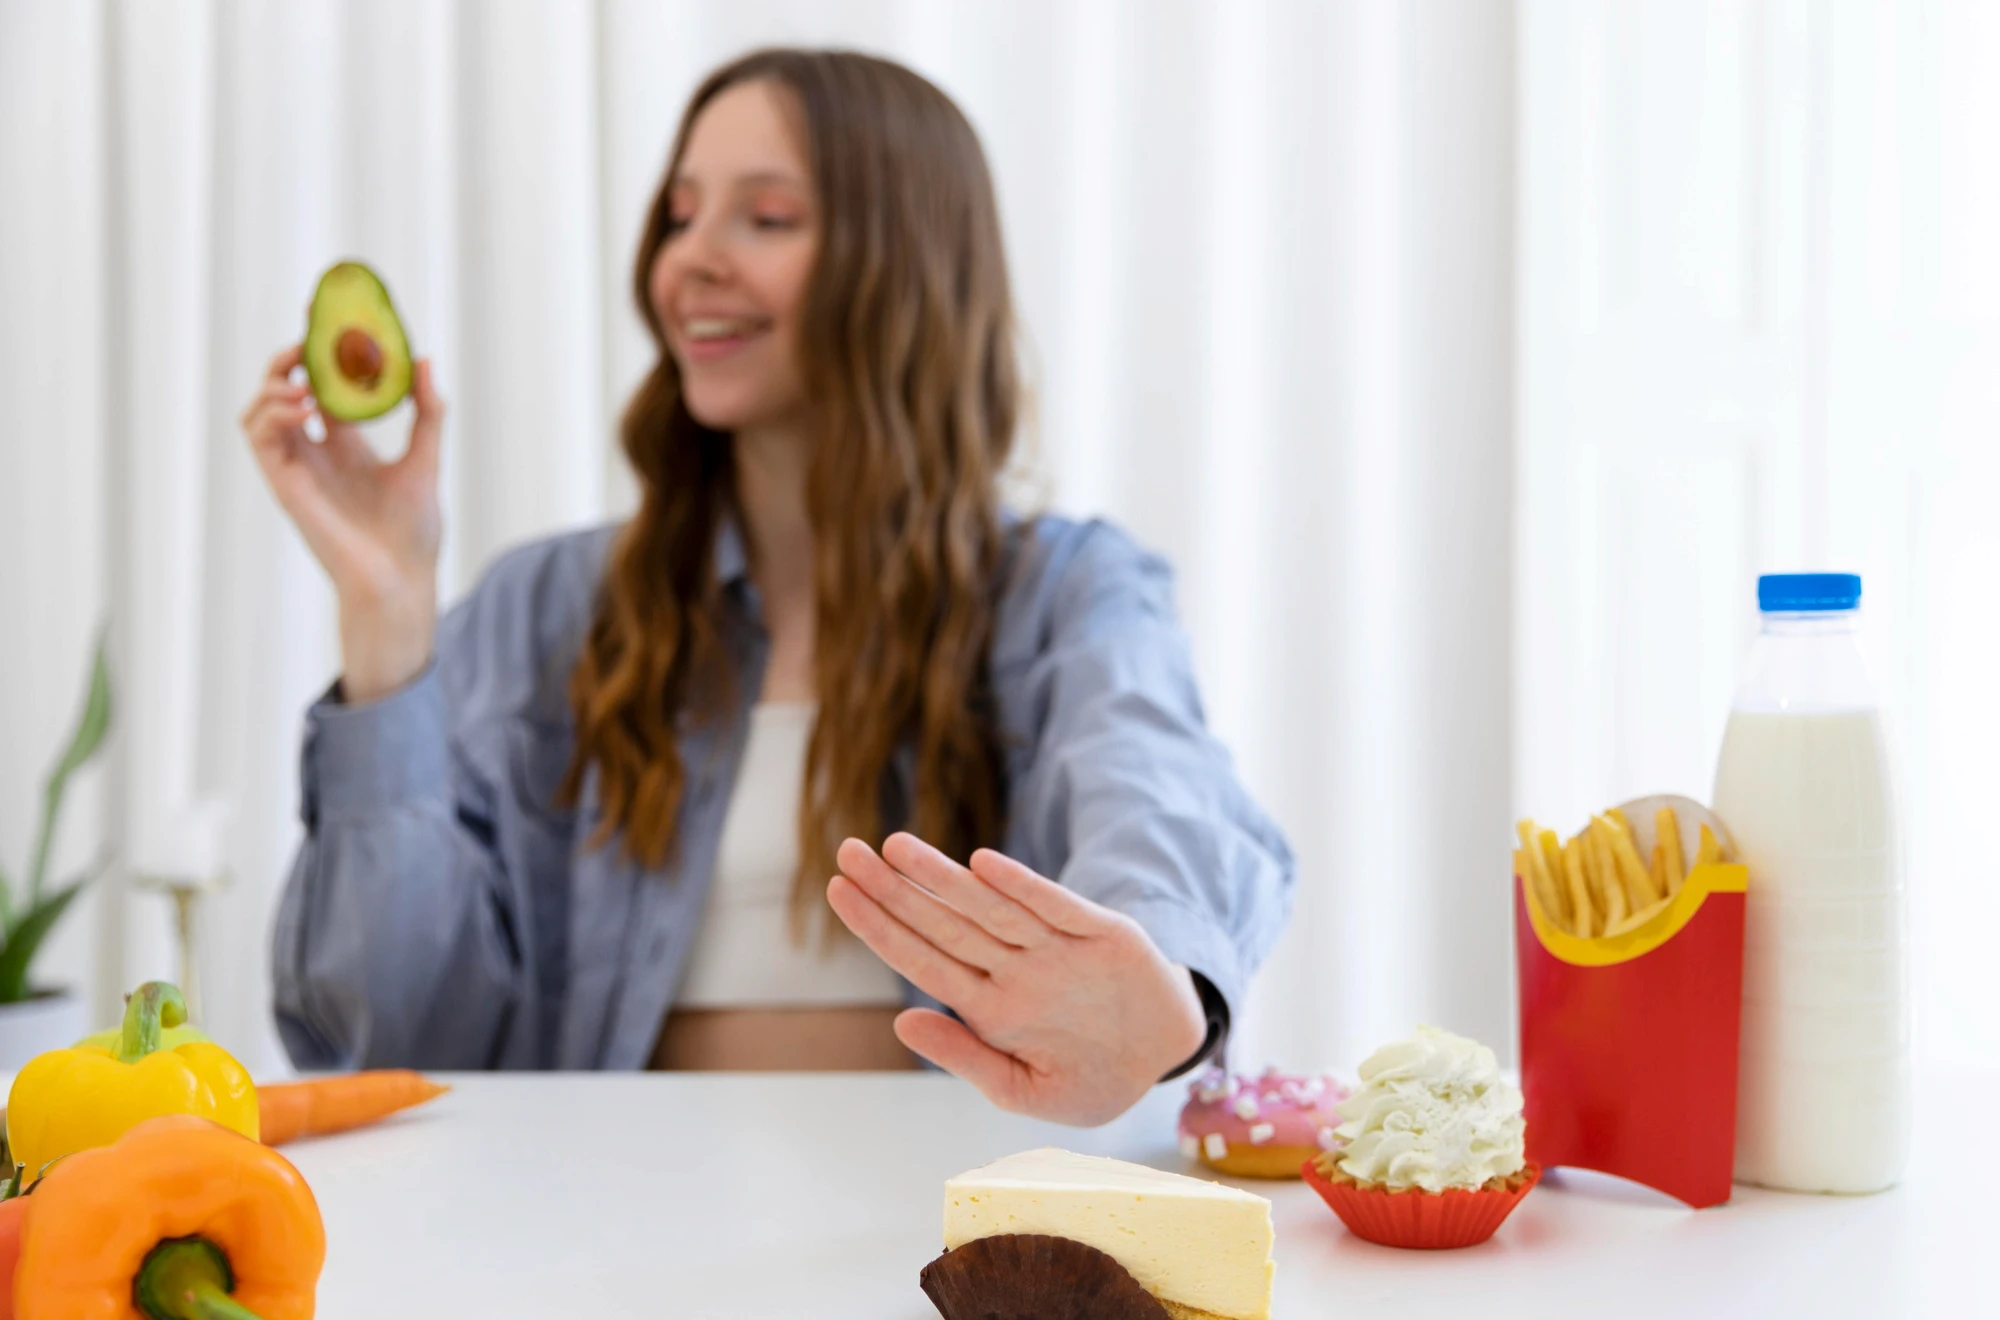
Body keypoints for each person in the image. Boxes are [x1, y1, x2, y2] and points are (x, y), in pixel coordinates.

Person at [241, 48, 1292, 1127]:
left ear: (904, 264)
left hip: (943, 1210)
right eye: (680, 215)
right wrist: (386, 621)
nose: (689, 261)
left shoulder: (1064, 594)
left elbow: (1152, 780)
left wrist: (1158, 984)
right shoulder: (544, 609)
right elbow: (393, 1038)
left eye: (768, 218)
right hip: (600, 1207)